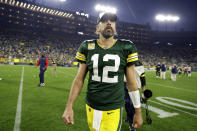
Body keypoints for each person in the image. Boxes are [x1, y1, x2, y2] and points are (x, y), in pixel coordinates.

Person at [62, 12, 143, 131]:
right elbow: (79, 80)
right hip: (91, 106)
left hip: (113, 108)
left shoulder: (126, 47)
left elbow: (131, 84)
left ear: (115, 27)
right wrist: (69, 107)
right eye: (104, 20)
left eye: (112, 21)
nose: (109, 22)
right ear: (97, 27)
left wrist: (138, 111)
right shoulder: (87, 46)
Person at [124, 61, 146, 131]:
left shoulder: (139, 64)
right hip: (124, 85)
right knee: (127, 104)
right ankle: (128, 117)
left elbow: (143, 77)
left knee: (132, 106)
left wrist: (144, 88)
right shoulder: (125, 61)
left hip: (135, 87)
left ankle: (132, 124)